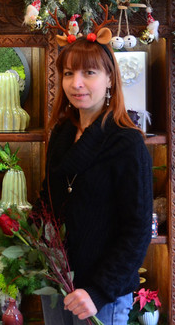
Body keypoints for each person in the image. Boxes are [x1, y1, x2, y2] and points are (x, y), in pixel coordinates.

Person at [38, 37, 153, 325]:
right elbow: (48, 199)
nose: (76, 83)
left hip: (102, 296)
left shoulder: (127, 143)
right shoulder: (62, 133)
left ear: (110, 78)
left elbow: (137, 232)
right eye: (68, 73)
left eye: (89, 73)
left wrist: (98, 291)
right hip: (57, 283)